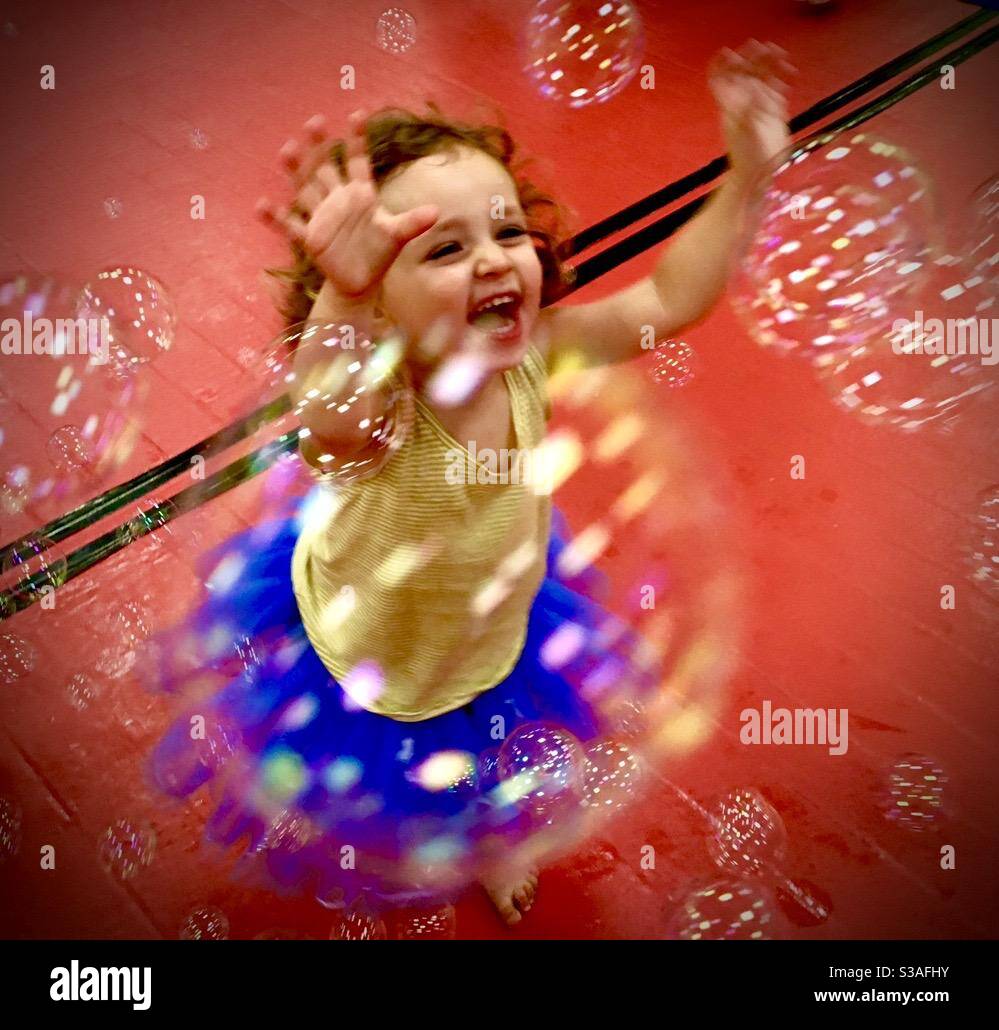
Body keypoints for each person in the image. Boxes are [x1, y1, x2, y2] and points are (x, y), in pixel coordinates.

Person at [148, 39, 796, 926]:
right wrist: (340, 299)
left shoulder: (537, 352)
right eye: (444, 249)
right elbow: (329, 415)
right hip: (378, 656)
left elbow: (667, 302)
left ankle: (494, 846)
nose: (494, 260)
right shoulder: (379, 410)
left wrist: (746, 177)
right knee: (404, 785)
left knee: (501, 759)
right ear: (379, 303)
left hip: (497, 627)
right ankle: (435, 834)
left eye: (506, 232)